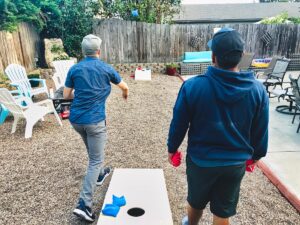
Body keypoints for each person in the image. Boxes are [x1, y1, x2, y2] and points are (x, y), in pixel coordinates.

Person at [167, 28, 269, 225]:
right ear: (240, 56)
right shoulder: (258, 90)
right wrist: (256, 156)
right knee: (223, 212)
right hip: (234, 164)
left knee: (195, 202)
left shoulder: (193, 86)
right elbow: (261, 129)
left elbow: (179, 123)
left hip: (201, 161)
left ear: (213, 56)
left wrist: (172, 148)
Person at [63, 34, 129, 223]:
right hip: (94, 122)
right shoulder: (105, 68)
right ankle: (84, 205)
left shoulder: (75, 69)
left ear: (83, 52)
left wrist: (81, 91)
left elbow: (67, 95)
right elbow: (125, 87)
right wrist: (125, 94)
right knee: (95, 159)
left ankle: (100, 174)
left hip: (76, 121)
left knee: (93, 154)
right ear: (99, 51)